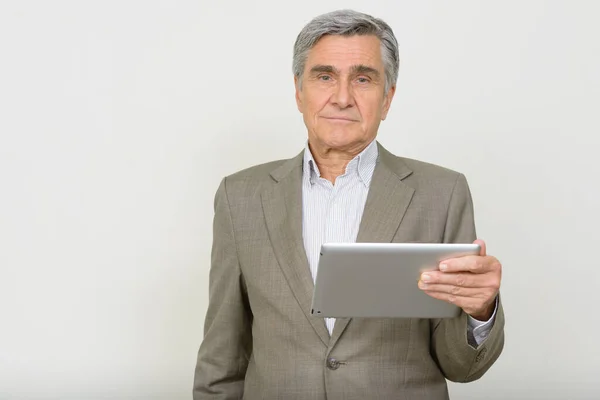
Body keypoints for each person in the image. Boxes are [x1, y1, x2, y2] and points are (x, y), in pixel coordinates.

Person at [193, 9, 504, 400]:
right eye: (324, 76)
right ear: (298, 91)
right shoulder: (239, 197)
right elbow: (222, 359)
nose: (342, 97)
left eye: (363, 78)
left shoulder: (442, 193)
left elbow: (460, 365)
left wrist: (480, 312)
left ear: (388, 98)